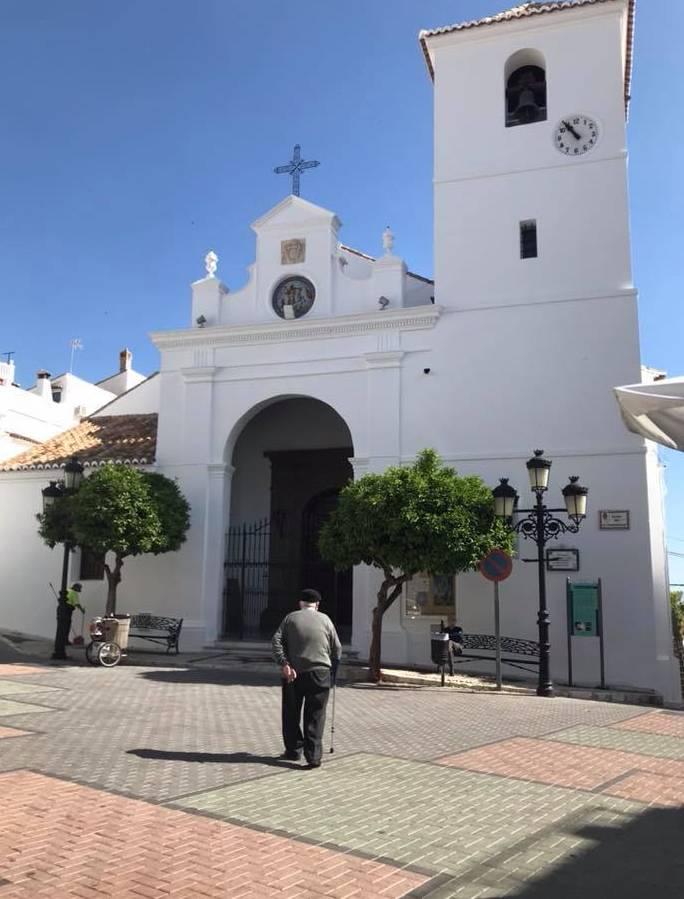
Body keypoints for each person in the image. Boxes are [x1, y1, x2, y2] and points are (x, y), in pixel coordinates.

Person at [272, 588, 342, 768]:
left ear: (300, 604)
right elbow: (337, 649)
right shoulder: (325, 620)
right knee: (315, 715)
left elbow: (276, 641)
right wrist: (333, 672)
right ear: (317, 605)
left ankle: (294, 750)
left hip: (294, 673)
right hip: (320, 673)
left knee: (291, 713)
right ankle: (314, 756)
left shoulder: (290, 618)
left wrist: (284, 664)